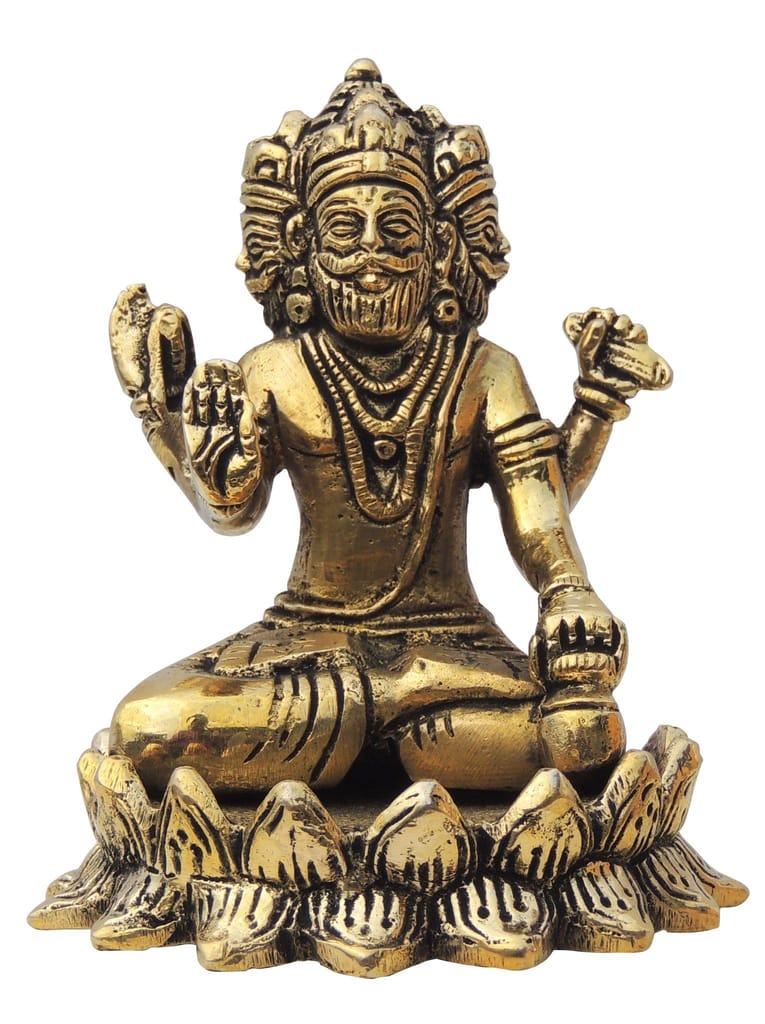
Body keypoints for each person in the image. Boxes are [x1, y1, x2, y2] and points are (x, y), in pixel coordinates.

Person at [108, 59, 670, 796]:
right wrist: (183, 438)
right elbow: (231, 514)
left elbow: (538, 504)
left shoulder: (485, 370)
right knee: (149, 728)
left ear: (440, 245)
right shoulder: (274, 368)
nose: (370, 253)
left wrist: (568, 592)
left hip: (455, 642)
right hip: (306, 642)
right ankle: (401, 711)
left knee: (584, 731)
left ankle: (371, 737)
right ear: (303, 244)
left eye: (396, 228)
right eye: (346, 229)